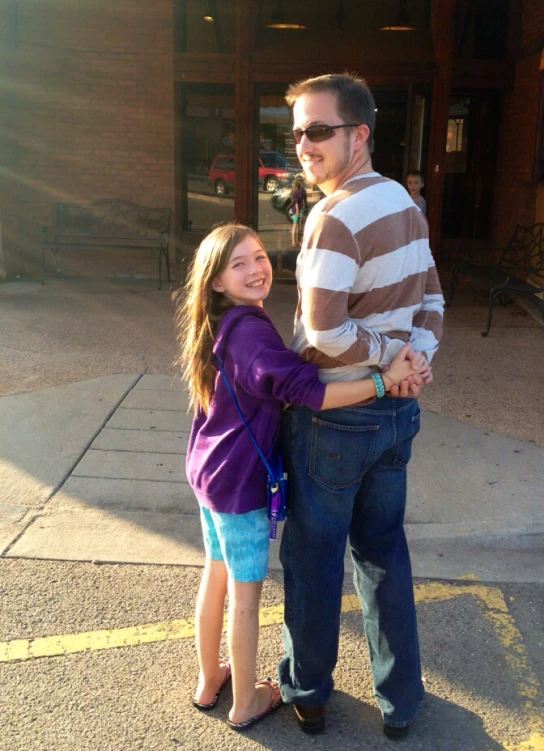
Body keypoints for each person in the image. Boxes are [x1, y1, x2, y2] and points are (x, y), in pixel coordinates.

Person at [173, 222, 428, 733]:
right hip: (240, 483)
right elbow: (309, 391)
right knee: (244, 596)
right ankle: (245, 701)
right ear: (216, 280)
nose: (255, 269)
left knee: (214, 573)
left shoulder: (223, 322)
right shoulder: (251, 332)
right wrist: (382, 379)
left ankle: (209, 681)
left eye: (260, 256)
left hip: (209, 471)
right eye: (238, 264)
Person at [277, 73, 444, 738]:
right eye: (297, 132)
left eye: (319, 130)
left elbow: (324, 332)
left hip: (334, 416)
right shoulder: (403, 200)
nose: (304, 145)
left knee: (315, 558)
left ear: (359, 134)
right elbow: (432, 297)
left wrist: (396, 360)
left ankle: (310, 691)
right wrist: (415, 359)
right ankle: (400, 701)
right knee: (382, 552)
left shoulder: (335, 215)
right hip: (394, 416)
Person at [289, 175, 308, 246]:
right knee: (298, 225)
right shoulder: (300, 191)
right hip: (298, 209)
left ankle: (296, 241)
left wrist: (299, 209)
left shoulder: (296, 191)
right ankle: (297, 241)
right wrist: (299, 210)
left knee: (297, 225)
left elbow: (300, 201)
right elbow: (298, 202)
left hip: (297, 209)